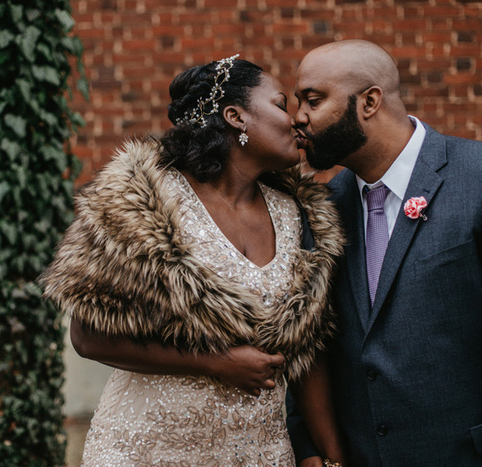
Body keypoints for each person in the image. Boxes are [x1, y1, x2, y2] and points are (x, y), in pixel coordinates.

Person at [40, 55, 347, 466]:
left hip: (259, 451)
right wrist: (216, 363)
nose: (296, 121)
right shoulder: (147, 205)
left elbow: (310, 349)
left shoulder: (300, 215)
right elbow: (87, 336)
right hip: (149, 448)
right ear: (235, 116)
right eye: (280, 104)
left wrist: (331, 457)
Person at [286, 39, 482, 466]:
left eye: (313, 100)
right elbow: (305, 340)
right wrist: (308, 447)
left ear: (369, 101)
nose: (298, 117)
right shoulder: (322, 210)